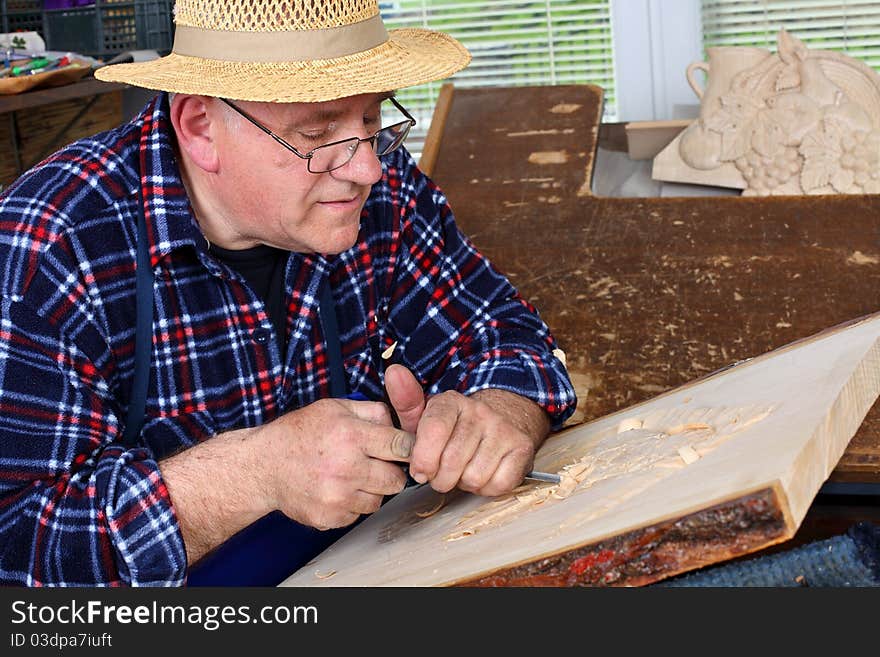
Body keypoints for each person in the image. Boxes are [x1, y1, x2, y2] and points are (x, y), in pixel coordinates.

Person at [0, 0, 576, 586]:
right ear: (201, 128)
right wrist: (252, 474)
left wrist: (502, 411)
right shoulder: (51, 248)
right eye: (318, 131)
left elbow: (503, 331)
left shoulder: (378, 185)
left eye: (373, 120)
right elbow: (17, 541)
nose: (368, 169)